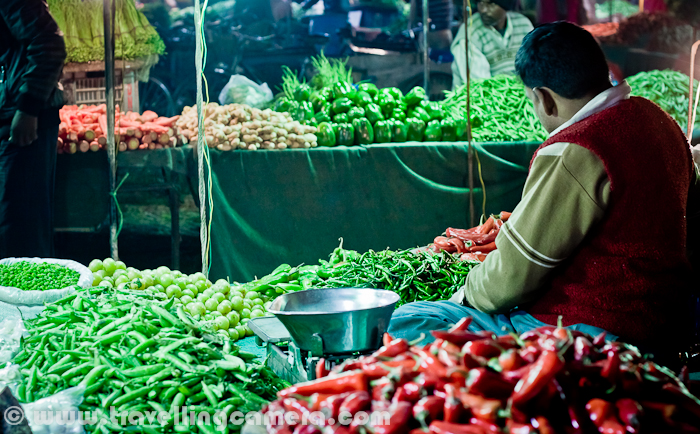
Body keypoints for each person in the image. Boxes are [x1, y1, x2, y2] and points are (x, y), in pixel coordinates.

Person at [390, 22, 700, 357]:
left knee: (410, 320)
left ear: (544, 99)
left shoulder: (576, 148)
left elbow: (512, 278)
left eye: (533, 102)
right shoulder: (658, 120)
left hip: (595, 331)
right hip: (669, 324)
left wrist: (465, 294)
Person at [0, 0, 66, 258]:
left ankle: (32, 296)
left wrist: (27, 109)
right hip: (11, 116)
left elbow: (49, 46)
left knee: (19, 227)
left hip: (23, 122)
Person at [450, 0, 533, 87]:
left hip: (520, 95)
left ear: (505, 6)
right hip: (483, 98)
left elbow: (532, 70)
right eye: (481, 3)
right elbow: (482, 86)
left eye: (491, 3)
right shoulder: (470, 33)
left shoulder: (523, 25)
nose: (484, 10)